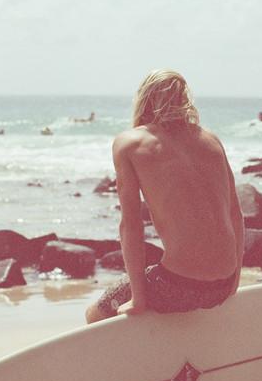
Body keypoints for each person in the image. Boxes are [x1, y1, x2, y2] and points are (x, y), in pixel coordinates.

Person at [86, 70, 244, 322]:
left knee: (96, 313)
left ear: (144, 98)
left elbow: (131, 226)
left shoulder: (130, 143)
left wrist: (138, 299)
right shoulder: (211, 140)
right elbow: (235, 215)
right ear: (184, 100)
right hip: (223, 286)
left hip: (175, 288)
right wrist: (234, 281)